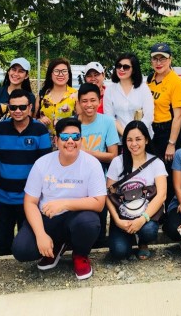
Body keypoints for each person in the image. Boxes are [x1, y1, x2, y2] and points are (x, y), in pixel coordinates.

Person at [12, 118, 107, 280]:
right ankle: (55, 247)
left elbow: (99, 203)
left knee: (89, 222)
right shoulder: (42, 163)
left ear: (81, 140)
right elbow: (30, 202)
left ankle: (80, 254)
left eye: (75, 137)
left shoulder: (92, 164)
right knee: (22, 249)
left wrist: (64, 203)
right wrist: (40, 234)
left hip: (76, 218)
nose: (70, 141)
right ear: (56, 140)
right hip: (48, 219)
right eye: (64, 137)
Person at [0, 89, 52, 255]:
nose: (17, 111)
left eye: (22, 107)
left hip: (29, 200)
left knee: (28, 244)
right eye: (13, 107)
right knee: (2, 243)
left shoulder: (40, 130)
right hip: (3, 197)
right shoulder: (0, 129)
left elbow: (46, 165)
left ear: (30, 107)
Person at [106, 121, 167, 260]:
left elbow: (162, 195)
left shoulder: (156, 163)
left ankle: (143, 242)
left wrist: (142, 219)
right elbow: (108, 195)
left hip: (145, 215)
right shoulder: (117, 162)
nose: (134, 144)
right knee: (119, 252)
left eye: (138, 139)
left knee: (149, 231)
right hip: (123, 216)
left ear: (146, 139)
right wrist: (116, 220)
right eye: (129, 140)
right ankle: (129, 236)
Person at [76, 82, 119, 244]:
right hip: (76, 179)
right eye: (84, 101)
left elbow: (113, 155)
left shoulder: (107, 122)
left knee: (100, 217)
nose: (89, 105)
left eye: (93, 100)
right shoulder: (73, 124)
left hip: (100, 177)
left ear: (99, 101)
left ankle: (98, 246)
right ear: (79, 102)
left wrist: (86, 154)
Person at [147, 42, 181, 206]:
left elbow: (178, 116)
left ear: (170, 60)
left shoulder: (175, 81)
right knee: (152, 171)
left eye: (163, 58)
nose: (159, 63)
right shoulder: (150, 78)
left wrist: (172, 143)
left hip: (168, 131)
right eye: (155, 59)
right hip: (152, 130)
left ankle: (169, 209)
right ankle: (154, 208)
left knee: (167, 173)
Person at [0, 58, 34, 158]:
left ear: (26, 76)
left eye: (21, 71)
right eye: (13, 69)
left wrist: (0, 125)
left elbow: (26, 122)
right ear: (9, 71)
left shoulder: (30, 97)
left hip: (16, 144)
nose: (16, 74)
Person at [103, 52, 154, 139]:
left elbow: (148, 116)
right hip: (120, 138)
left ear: (134, 70)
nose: (121, 69)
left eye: (126, 67)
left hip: (142, 137)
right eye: (119, 66)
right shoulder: (110, 90)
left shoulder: (143, 88)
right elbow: (110, 117)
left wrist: (136, 135)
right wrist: (126, 135)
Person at [37, 58, 77, 138]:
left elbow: (82, 120)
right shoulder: (42, 95)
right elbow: (33, 118)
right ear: (50, 74)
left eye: (64, 71)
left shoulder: (75, 95)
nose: (60, 74)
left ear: (69, 75)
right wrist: (39, 120)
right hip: (44, 142)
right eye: (56, 71)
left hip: (68, 142)